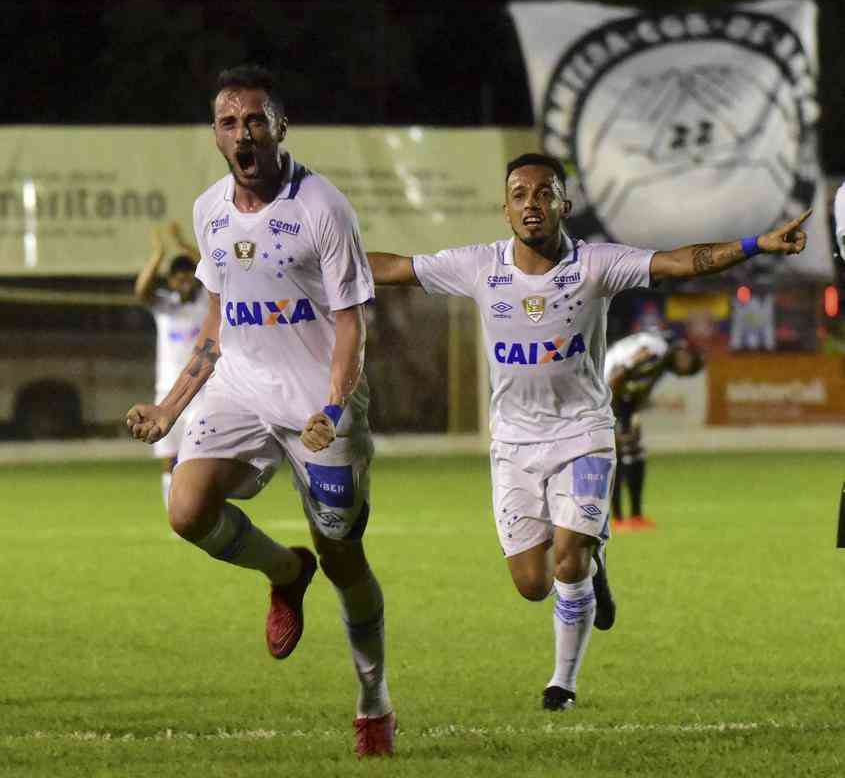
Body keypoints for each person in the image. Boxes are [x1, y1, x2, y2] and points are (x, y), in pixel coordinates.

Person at [367, 152, 809, 712]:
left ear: (563, 204)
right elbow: (398, 267)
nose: (533, 203)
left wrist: (755, 245)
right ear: (505, 210)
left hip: (584, 433)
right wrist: (323, 262)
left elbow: (678, 263)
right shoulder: (479, 266)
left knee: (567, 557)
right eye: (520, 194)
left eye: (544, 192)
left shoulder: (596, 264)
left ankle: (563, 682)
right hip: (513, 444)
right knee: (533, 582)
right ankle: (594, 563)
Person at [126, 65, 394, 757]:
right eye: (228, 122)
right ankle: (283, 571)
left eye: (254, 120)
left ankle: (372, 703)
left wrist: (333, 408)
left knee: (344, 558)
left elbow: (351, 324)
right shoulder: (209, 209)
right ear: (216, 135)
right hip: (239, 385)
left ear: (279, 128)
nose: (242, 133)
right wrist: (169, 408)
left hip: (316, 403)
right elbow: (216, 321)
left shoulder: (323, 209)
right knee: (186, 511)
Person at [134, 223, 207, 511]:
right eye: (177, 276)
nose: (183, 280)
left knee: (198, 454)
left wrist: (183, 243)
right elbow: (142, 290)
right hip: (166, 391)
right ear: (171, 280)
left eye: (188, 274)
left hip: (201, 391)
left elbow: (213, 266)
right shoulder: (165, 306)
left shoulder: (206, 303)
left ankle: (199, 508)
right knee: (169, 457)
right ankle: (175, 515)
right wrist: (159, 253)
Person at [604, 332, 703, 530]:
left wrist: (632, 411)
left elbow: (637, 384)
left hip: (619, 398)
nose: (684, 367)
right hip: (607, 395)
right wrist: (611, 411)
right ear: (681, 349)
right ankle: (621, 518)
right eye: (687, 362)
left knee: (632, 454)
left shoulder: (660, 353)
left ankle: (633, 516)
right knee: (622, 455)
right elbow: (621, 371)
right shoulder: (655, 351)